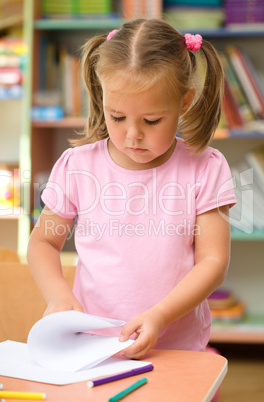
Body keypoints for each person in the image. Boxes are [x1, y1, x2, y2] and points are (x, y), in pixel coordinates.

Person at [27, 18, 236, 359]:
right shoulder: (77, 166)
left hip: (176, 348)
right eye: (117, 117)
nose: (132, 135)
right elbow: (43, 242)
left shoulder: (206, 167)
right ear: (102, 96)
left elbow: (213, 261)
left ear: (184, 103)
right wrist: (58, 296)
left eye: (151, 120)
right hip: (91, 346)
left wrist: (160, 314)